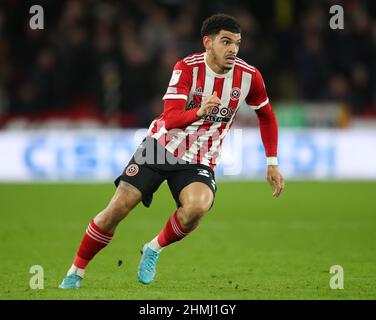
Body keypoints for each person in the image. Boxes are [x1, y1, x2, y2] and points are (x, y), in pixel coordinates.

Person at [59, 13, 285, 289]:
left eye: (237, 43)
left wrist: (272, 162)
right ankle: (76, 271)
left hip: (200, 159)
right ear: (208, 43)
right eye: (225, 42)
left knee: (197, 208)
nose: (233, 49)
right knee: (118, 208)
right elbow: (169, 118)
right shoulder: (187, 68)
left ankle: (153, 248)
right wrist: (198, 111)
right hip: (160, 147)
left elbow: (267, 115)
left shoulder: (249, 76)